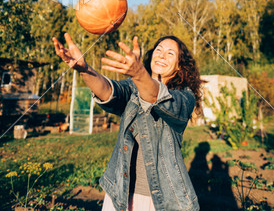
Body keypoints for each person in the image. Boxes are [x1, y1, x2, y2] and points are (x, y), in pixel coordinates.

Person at [53, 33, 202, 211]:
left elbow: (157, 97)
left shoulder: (184, 97)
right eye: (159, 50)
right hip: (120, 194)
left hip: (161, 201)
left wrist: (139, 73)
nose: (162, 55)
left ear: (179, 66)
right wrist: (84, 69)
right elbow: (108, 91)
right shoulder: (133, 86)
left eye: (170, 54)